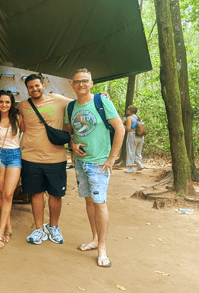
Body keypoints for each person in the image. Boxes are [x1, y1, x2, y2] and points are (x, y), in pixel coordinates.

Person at [64, 68, 125, 268]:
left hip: (99, 163)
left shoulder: (101, 102)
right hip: (81, 163)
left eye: (85, 81)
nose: (81, 84)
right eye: (77, 81)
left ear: (91, 83)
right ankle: (95, 239)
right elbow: (70, 133)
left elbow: (120, 129)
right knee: (89, 201)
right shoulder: (71, 107)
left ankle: (103, 248)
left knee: (99, 203)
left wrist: (111, 159)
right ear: (72, 85)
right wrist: (72, 146)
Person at [18, 74, 72, 245]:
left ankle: (53, 226)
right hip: (30, 156)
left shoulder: (58, 100)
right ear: (27, 89)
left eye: (37, 86)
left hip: (55, 157)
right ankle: (39, 228)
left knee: (56, 195)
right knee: (36, 193)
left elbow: (79, 103)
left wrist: (100, 97)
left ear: (43, 85)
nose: (34, 89)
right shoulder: (23, 106)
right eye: (31, 87)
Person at [0, 90, 23, 249]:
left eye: (7, 102)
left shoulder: (17, 117)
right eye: (1, 101)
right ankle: (8, 227)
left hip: (15, 155)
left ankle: (0, 232)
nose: (4, 105)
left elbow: (29, 131)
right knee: (2, 193)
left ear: (11, 104)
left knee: (9, 193)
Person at [124, 105, 145, 173]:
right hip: (140, 135)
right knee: (138, 151)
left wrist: (122, 125)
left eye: (128, 109)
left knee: (130, 150)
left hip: (132, 134)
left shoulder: (129, 118)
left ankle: (131, 167)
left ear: (130, 111)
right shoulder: (139, 118)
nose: (127, 111)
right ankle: (139, 164)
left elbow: (128, 128)